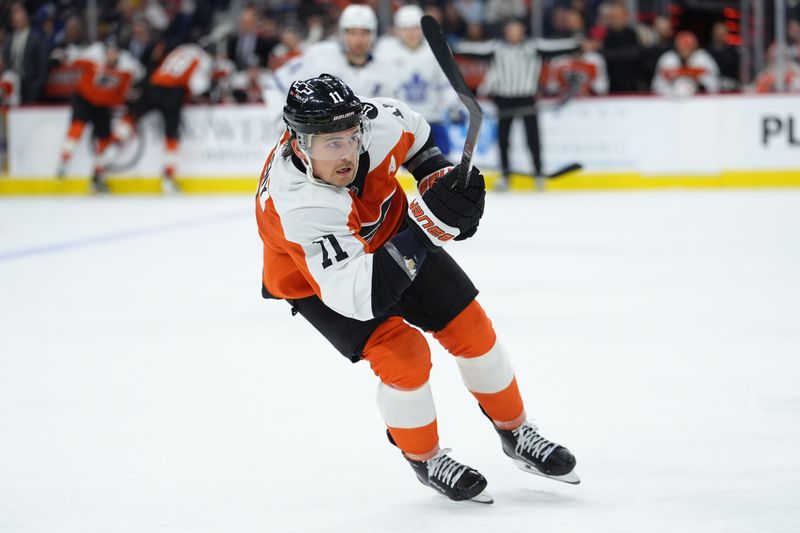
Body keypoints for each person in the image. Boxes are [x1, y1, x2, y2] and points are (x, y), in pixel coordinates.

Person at [255, 73, 579, 503]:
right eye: (332, 144)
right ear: (299, 142)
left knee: (473, 329)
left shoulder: (379, 121)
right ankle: (425, 458)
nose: (347, 152)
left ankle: (515, 431)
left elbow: (417, 135)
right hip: (319, 281)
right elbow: (362, 294)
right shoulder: (300, 204)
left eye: (352, 137)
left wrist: (439, 179)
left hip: (388, 234)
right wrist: (429, 226)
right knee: (404, 356)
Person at [455, 19, 580, 191]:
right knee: (503, 140)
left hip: (527, 98)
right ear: (506, 31)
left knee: (533, 139)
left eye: (517, 29)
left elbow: (556, 47)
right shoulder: (496, 46)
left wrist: (577, 44)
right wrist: (452, 47)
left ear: (522, 31)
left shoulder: (533, 45)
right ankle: (506, 176)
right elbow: (473, 51)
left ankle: (537, 173)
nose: (514, 33)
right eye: (511, 29)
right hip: (504, 99)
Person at [117, 40, 214, 192]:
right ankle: (168, 179)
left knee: (130, 117)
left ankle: (104, 157)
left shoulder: (181, 47)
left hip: (153, 86)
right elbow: (197, 87)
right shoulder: (203, 58)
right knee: (171, 136)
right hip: (172, 94)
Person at [56, 38, 142, 192]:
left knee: (104, 140)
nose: (111, 55)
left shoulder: (128, 66)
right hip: (84, 98)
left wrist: (130, 94)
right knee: (77, 127)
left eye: (114, 52)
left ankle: (98, 176)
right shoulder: (94, 55)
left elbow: (138, 77)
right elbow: (73, 57)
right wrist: (64, 54)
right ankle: (64, 161)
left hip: (103, 105)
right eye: (108, 52)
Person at [375, 4, 461, 156]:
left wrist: (452, 105)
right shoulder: (385, 50)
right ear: (398, 30)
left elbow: (447, 84)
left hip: (432, 120)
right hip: (401, 124)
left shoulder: (436, 48)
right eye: (406, 28)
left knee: (443, 164)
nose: (411, 33)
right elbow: (381, 87)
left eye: (415, 28)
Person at [267, 4, 390, 99]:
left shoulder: (386, 67)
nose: (358, 40)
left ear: (373, 35)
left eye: (364, 33)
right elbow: (277, 83)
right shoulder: (319, 56)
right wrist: (284, 121)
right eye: (352, 33)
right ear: (342, 33)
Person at [2, 2, 48, 103]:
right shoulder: (9, 39)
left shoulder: (37, 38)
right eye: (15, 15)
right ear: (12, 20)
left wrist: (37, 85)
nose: (18, 17)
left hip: (30, 86)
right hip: (12, 87)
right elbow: (6, 61)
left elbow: (43, 64)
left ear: (26, 16)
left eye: (20, 13)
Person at [652, 31, 720, 96]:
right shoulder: (668, 59)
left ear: (695, 46)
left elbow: (714, 83)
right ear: (677, 46)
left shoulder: (703, 59)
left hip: (699, 100)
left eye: (688, 45)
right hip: (671, 100)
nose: (685, 48)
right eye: (682, 45)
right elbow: (657, 84)